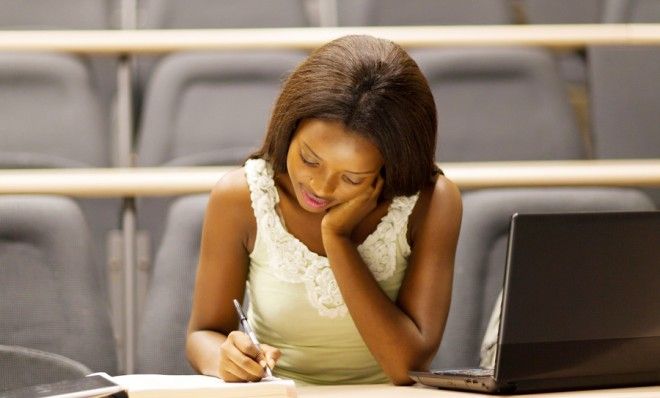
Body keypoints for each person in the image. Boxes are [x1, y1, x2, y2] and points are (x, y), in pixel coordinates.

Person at [186, 34, 462, 386]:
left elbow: (405, 364)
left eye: (351, 177)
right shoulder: (241, 197)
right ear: (289, 126)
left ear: (390, 169)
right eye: (309, 159)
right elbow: (203, 334)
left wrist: (338, 239)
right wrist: (226, 357)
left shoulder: (432, 202)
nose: (320, 187)